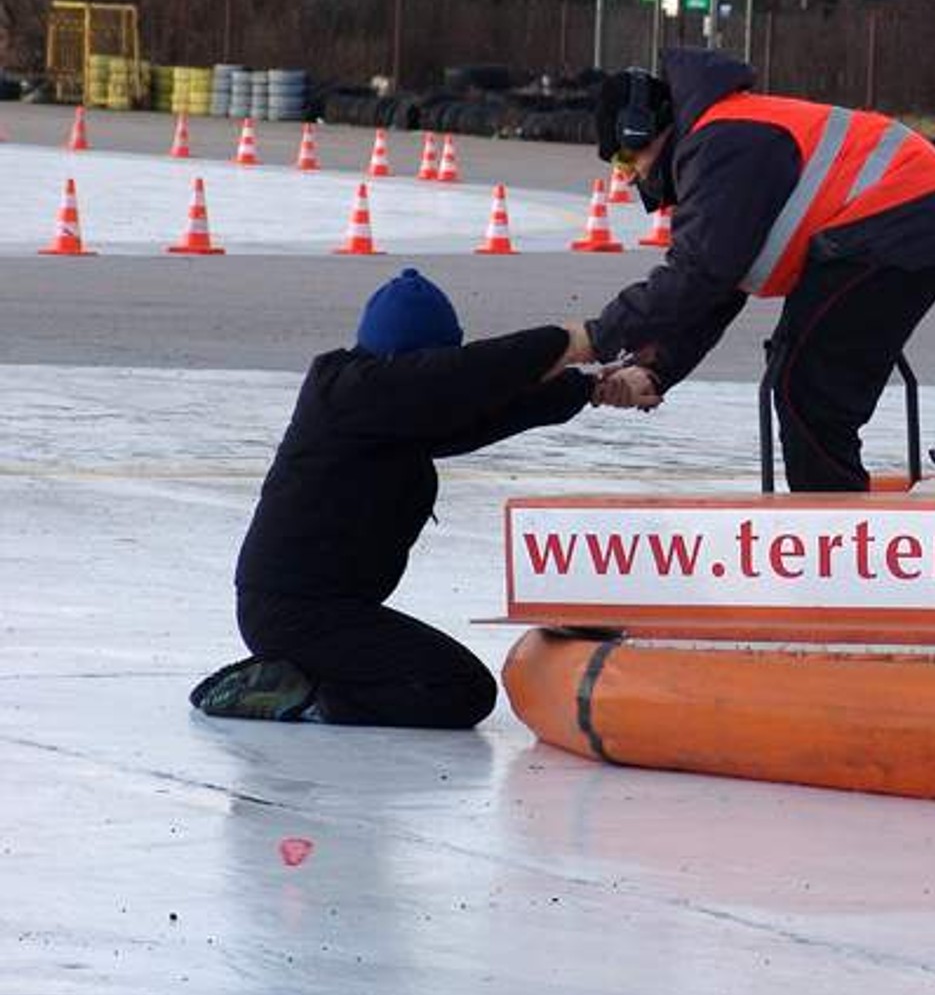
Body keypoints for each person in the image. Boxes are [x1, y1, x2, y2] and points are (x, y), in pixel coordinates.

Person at [190, 268, 658, 726]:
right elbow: (475, 374)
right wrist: (577, 339)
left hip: (327, 611)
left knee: (448, 683)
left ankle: (299, 679)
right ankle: (297, 696)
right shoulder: (350, 394)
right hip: (294, 614)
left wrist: (591, 388)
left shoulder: (388, 413)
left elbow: (490, 410)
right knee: (457, 689)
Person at [572, 48, 935, 492]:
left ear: (640, 130)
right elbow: (717, 289)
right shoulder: (718, 141)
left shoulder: (719, 145)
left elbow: (699, 274)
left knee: (807, 389)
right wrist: (656, 369)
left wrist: (597, 337)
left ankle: (833, 532)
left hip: (899, 220)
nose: (629, 177)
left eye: (623, 160)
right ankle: (832, 515)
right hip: (908, 219)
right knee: (805, 379)